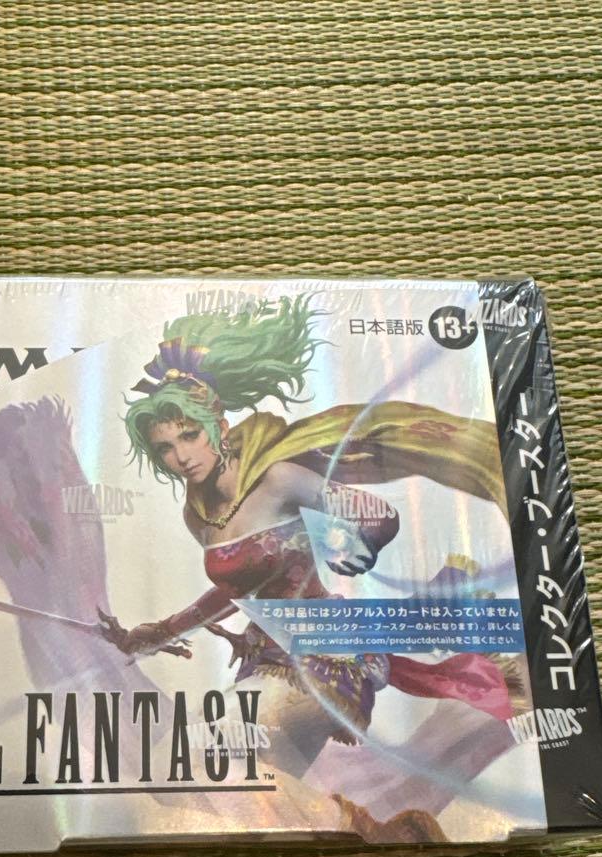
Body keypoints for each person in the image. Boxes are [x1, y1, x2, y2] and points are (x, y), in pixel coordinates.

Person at [99, 295, 514, 780]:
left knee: (189, 755)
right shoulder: (197, 516)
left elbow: (379, 516)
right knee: (257, 792)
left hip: (325, 657)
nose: (182, 456)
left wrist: (351, 544)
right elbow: (237, 591)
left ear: (219, 427)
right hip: (264, 660)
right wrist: (160, 632)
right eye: (165, 448)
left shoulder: (278, 480)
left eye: (190, 435)